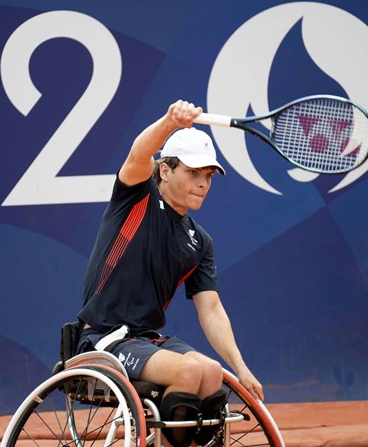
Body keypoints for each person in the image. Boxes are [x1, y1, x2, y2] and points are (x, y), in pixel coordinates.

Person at [76, 100, 263, 446]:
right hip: (104, 338)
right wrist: (169, 123)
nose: (203, 184)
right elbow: (137, 155)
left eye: (208, 176)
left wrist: (240, 365)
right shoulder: (137, 197)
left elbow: (211, 309)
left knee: (210, 373)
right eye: (193, 173)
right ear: (165, 171)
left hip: (147, 340)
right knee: (191, 370)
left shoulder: (200, 242)